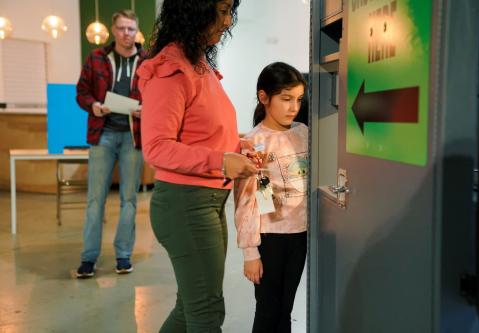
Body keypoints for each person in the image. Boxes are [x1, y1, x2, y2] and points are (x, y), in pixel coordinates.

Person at [137, 0, 258, 331]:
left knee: (191, 307)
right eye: (220, 10)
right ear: (193, 10)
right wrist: (221, 160)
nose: (227, 19)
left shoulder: (197, 63)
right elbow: (157, 148)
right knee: (205, 313)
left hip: (206, 200)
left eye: (230, 10)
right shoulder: (170, 69)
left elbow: (202, 131)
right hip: (186, 204)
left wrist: (236, 148)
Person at [234, 62, 308, 333]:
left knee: (285, 310)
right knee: (267, 311)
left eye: (299, 100)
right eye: (286, 99)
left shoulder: (304, 133)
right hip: (269, 239)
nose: (293, 107)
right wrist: (250, 253)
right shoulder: (253, 143)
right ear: (264, 97)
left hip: (300, 236)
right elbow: (245, 202)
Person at [75, 10, 146, 278]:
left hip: (133, 136)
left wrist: (146, 110)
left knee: (129, 199)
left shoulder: (147, 61)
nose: (126, 34)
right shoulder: (96, 58)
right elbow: (81, 91)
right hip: (101, 134)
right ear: (113, 30)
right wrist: (93, 105)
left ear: (136, 31)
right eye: (121, 29)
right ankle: (88, 258)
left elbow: (158, 97)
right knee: (95, 200)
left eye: (131, 29)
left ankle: (123, 255)